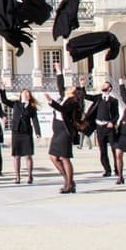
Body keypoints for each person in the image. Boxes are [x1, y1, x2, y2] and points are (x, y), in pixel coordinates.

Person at [43, 63, 83, 194]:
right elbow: (61, 84)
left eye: (72, 88)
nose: (69, 87)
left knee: (65, 157)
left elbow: (62, 109)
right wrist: (59, 71)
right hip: (58, 131)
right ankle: (68, 180)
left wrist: (50, 101)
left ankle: (69, 184)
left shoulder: (73, 102)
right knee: (53, 157)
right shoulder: (64, 97)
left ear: (74, 93)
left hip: (65, 131)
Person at [0, 80, 41, 184]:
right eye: (24, 93)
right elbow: (4, 100)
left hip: (26, 132)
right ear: (21, 95)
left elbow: (35, 120)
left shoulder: (32, 108)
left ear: (29, 96)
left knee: (28, 155)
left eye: (27, 93)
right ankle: (17, 176)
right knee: (16, 156)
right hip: (16, 132)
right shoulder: (16, 104)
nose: (25, 94)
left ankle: (30, 176)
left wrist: (37, 132)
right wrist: (3, 88)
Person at [79, 75, 120, 177]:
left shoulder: (113, 101)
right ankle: (107, 170)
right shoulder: (98, 98)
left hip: (109, 127)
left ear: (109, 88)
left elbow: (117, 114)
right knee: (103, 150)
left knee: (114, 149)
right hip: (100, 128)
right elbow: (85, 96)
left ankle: (117, 169)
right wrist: (82, 86)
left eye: (105, 85)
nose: (103, 86)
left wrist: (112, 122)